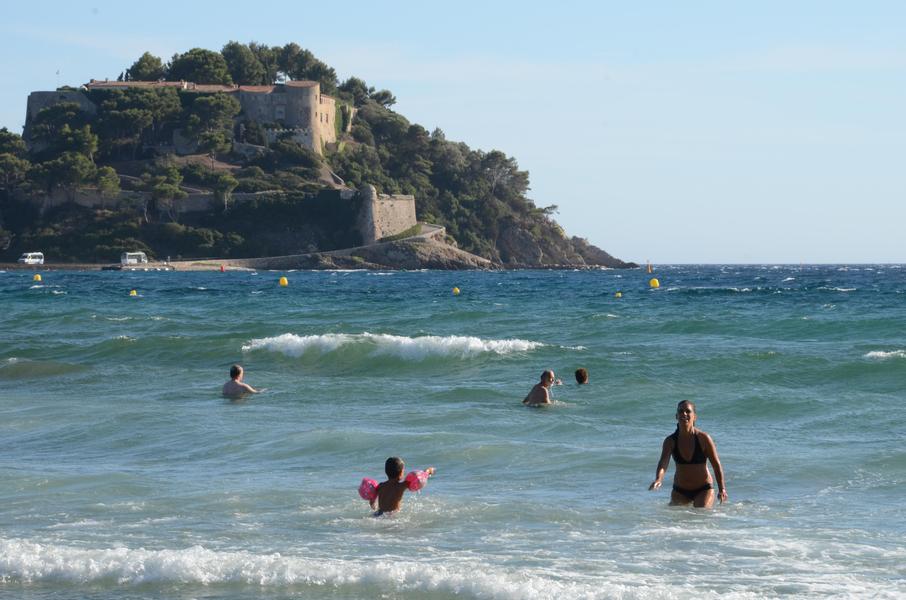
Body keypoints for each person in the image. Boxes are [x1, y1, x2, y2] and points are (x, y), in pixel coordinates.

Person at [648, 400, 728, 507]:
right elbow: (663, 463)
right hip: (680, 490)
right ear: (676, 416)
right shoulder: (670, 441)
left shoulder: (703, 438)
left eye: (688, 411)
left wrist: (722, 489)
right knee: (675, 520)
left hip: (703, 489)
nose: (684, 414)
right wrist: (658, 479)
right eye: (681, 411)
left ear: (694, 416)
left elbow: (716, 464)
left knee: (701, 516)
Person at [371, 457, 436, 516]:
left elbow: (372, 500)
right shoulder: (401, 486)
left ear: (386, 471)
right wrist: (428, 471)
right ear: (401, 472)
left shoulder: (380, 485)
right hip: (390, 515)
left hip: (378, 514)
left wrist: (373, 504)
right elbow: (419, 477)